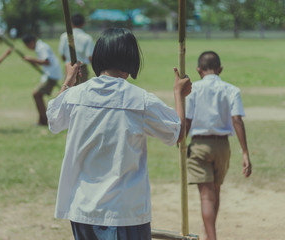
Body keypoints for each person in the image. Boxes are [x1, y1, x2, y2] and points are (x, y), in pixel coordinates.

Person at [46, 28, 192, 240]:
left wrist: (68, 81)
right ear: (132, 59)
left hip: (83, 209)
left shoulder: (75, 95)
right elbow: (176, 132)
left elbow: (53, 118)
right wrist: (179, 94)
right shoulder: (140, 100)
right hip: (124, 211)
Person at [185, 51, 252, 240]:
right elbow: (237, 120)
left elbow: (188, 120)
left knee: (206, 196)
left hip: (199, 145)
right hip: (222, 146)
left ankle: (211, 237)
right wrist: (245, 152)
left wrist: (181, 139)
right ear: (220, 69)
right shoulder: (231, 89)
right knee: (215, 191)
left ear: (198, 70)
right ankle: (209, 233)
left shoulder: (193, 89)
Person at [22, 35, 63, 126]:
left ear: (32, 42)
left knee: (36, 94)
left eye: (28, 46)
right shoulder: (39, 47)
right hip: (50, 74)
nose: (28, 48)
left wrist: (31, 59)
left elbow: (47, 62)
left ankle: (44, 119)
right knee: (37, 95)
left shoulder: (41, 47)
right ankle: (42, 119)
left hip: (52, 75)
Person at [58, 13, 94, 84]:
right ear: (83, 23)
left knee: (68, 91)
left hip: (69, 68)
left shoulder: (64, 36)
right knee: (82, 92)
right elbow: (90, 57)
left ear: (71, 23)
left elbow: (62, 55)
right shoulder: (87, 38)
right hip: (82, 68)